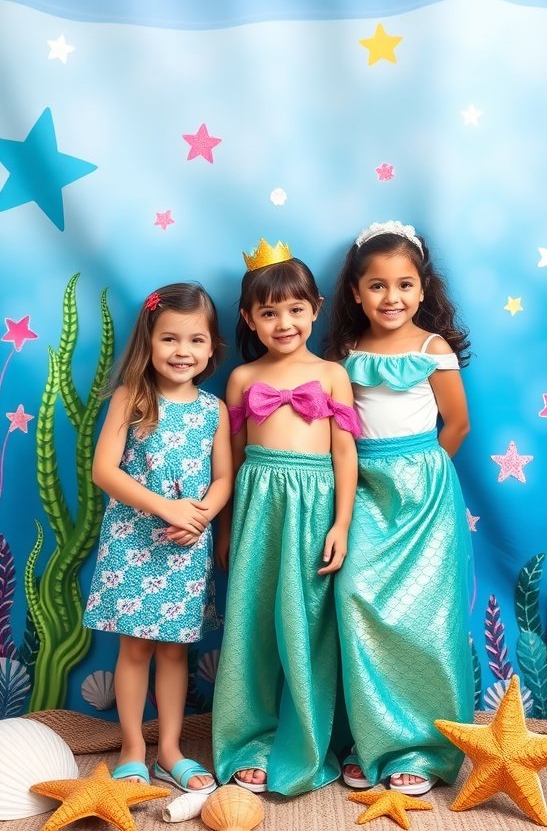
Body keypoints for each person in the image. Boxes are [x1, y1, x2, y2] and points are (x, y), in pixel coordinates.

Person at [327, 221, 474, 796]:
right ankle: (371, 741)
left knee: (423, 618)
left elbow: (457, 424)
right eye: (378, 286)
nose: (393, 298)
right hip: (361, 488)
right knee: (357, 601)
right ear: (357, 293)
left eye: (405, 285)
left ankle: (419, 748)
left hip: (423, 495)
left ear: (423, 288)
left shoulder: (432, 348)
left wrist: (421, 472)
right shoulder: (344, 353)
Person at [211, 239, 360, 796]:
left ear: (316, 308)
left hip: (316, 505)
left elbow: (345, 454)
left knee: (309, 626)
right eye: (269, 312)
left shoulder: (331, 375)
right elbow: (233, 457)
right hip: (258, 507)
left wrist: (341, 525)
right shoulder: (243, 379)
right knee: (253, 623)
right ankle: (250, 738)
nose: (284, 322)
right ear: (249, 317)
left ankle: (310, 740)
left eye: (295, 309)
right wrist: (225, 529)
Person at [83, 282, 233, 793]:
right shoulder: (132, 397)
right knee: (136, 649)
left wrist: (200, 516)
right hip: (133, 543)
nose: (182, 351)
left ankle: (169, 750)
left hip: (185, 548)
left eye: (195, 340)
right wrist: (166, 506)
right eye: (170, 339)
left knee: (174, 651)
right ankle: (131, 747)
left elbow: (223, 478)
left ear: (212, 347)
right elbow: (106, 470)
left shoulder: (214, 410)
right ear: (149, 341)